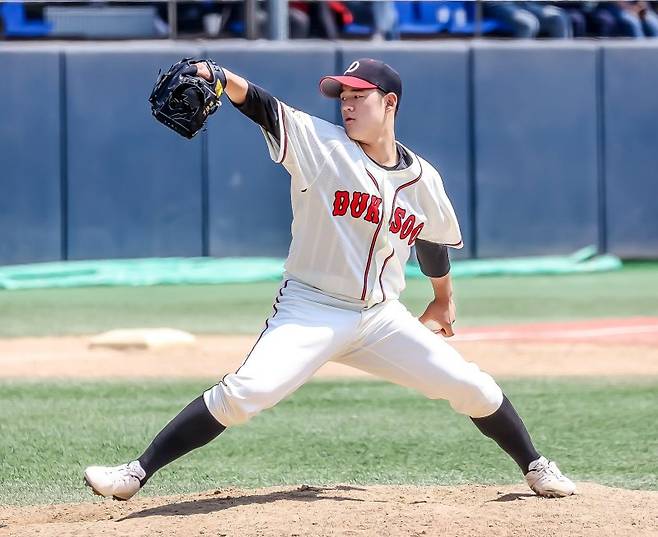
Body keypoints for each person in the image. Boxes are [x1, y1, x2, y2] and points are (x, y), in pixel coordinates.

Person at [84, 58, 576, 501]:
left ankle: (536, 466)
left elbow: (431, 238)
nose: (347, 105)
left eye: (358, 96)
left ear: (390, 103)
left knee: (473, 387)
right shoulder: (321, 145)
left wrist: (443, 298)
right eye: (343, 96)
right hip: (311, 308)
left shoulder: (423, 178)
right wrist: (218, 75)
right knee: (242, 395)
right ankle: (134, 474)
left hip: (382, 318)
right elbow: (262, 105)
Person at [484, 1, 572, 38]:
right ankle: (520, 66)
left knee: (558, 18)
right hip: (498, 4)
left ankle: (559, 65)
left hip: (524, 3)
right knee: (528, 24)